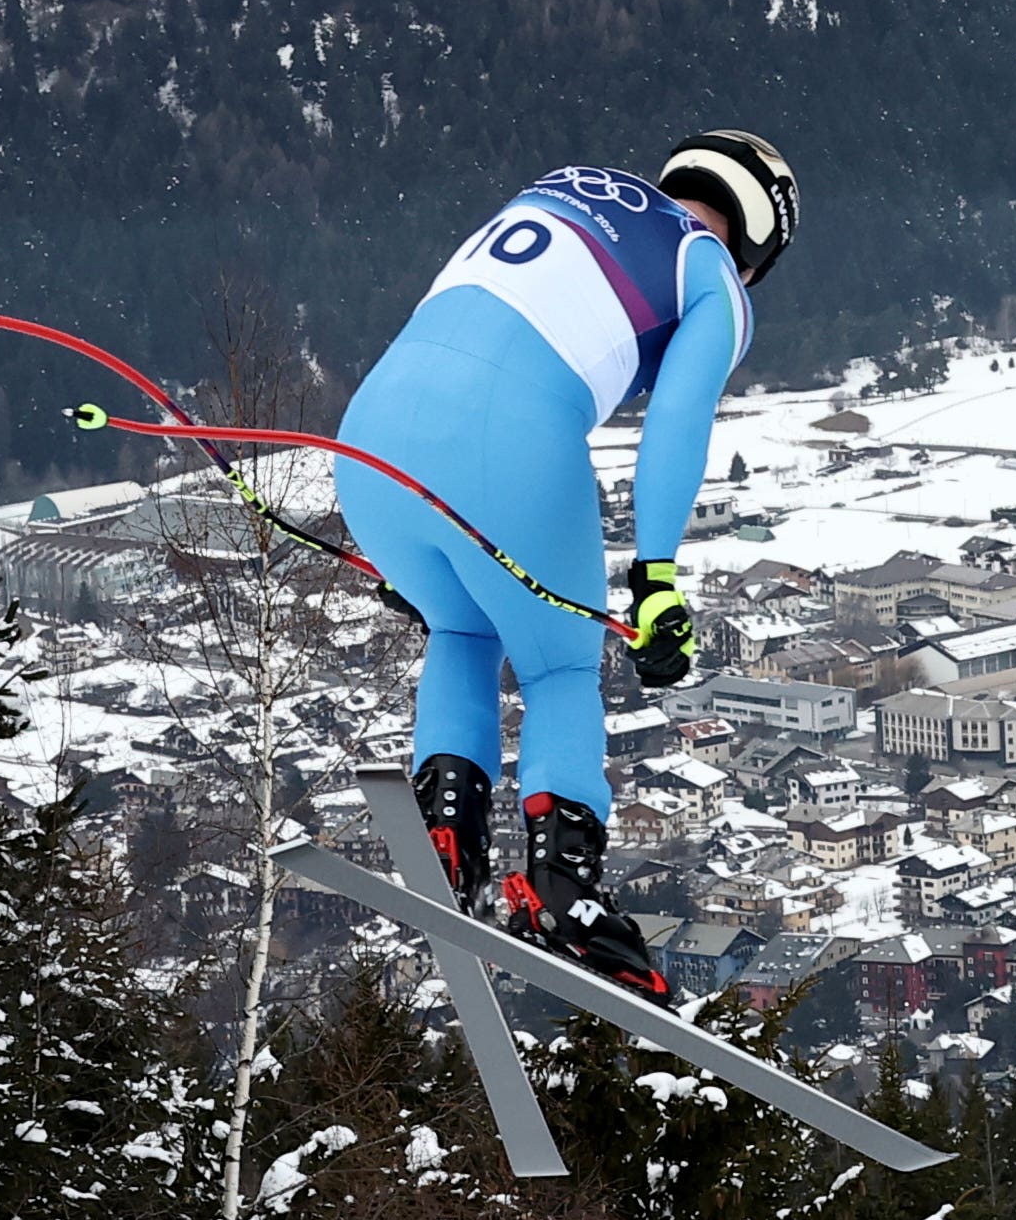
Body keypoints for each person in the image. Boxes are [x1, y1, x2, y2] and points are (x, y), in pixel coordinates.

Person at [340, 133, 797, 997]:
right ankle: (562, 888)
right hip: (504, 445)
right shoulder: (711, 273)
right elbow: (678, 421)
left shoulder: (562, 186)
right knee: (558, 669)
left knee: (462, 625)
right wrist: (655, 576)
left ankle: (445, 833)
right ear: (760, 236)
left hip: (366, 441)